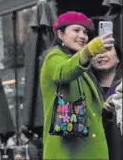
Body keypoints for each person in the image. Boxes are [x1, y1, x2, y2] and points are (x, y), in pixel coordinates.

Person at [40, 11, 114, 159]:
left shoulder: (83, 68)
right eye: (76, 30)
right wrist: (89, 51)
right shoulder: (54, 58)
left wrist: (106, 109)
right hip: (67, 154)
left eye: (85, 32)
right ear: (60, 35)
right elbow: (64, 72)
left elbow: (93, 115)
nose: (82, 36)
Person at [92, 44, 122, 159]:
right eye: (97, 51)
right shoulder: (84, 86)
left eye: (107, 50)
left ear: (118, 57)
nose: (101, 55)